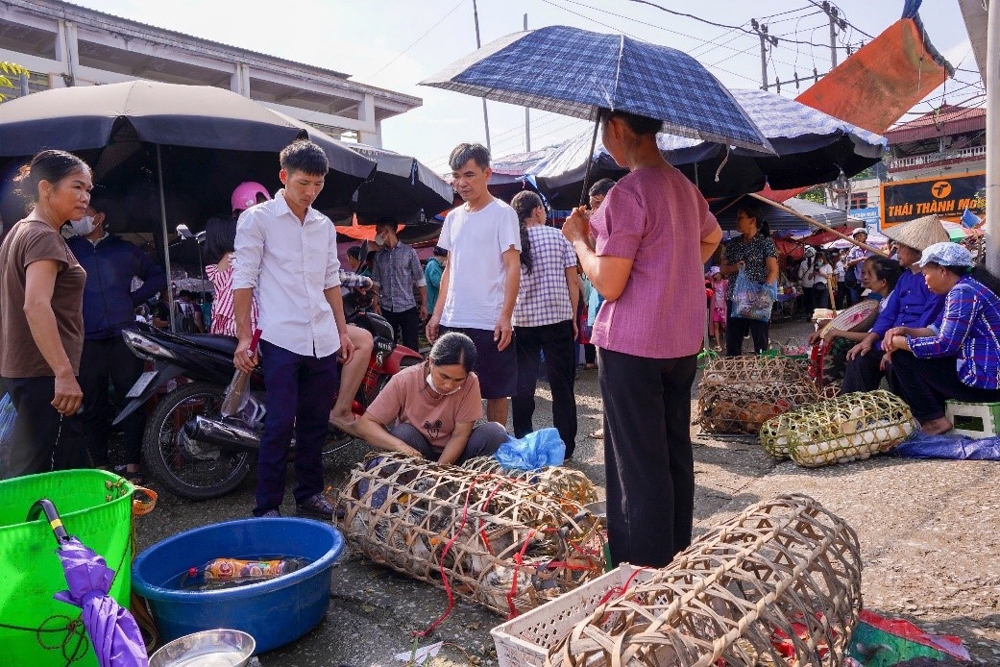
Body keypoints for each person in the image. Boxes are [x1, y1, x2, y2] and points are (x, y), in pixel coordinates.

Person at [561, 108, 723, 568]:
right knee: (673, 450)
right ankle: (675, 556)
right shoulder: (684, 188)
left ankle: (640, 571)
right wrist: (670, 266)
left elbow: (608, 283)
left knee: (636, 463)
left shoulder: (628, 191)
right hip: (680, 340)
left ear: (615, 128)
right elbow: (710, 240)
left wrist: (578, 240)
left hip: (632, 343)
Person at [231, 140, 355, 519]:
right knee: (280, 423)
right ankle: (266, 505)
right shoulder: (257, 219)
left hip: (323, 337)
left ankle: (309, 493)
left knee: (317, 422)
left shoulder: (323, 225)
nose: (311, 192)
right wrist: (241, 336)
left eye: (318, 184)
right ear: (283, 177)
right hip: (281, 337)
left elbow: (331, 279)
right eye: (303, 183)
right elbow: (244, 278)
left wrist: (343, 330)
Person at [0, 150, 91, 478]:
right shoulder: (42, 236)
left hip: (27, 369)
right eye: (77, 187)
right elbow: (35, 305)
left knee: (61, 466)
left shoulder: (20, 231)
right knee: (40, 473)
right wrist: (63, 374)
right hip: (45, 374)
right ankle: (27, 529)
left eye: (89, 190)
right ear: (46, 189)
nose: (85, 197)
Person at [65, 195, 167, 482]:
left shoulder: (123, 249)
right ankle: (101, 467)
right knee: (92, 404)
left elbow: (157, 276)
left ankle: (133, 468)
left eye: (84, 212)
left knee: (132, 400)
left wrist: (131, 300)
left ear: (99, 218)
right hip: (88, 340)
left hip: (124, 336)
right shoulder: (69, 250)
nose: (77, 218)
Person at [426, 143, 521, 427]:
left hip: (489, 320)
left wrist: (506, 316)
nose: (461, 183)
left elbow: (513, 266)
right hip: (454, 318)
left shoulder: (504, 214)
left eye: (469, 175)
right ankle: (449, 453)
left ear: (487, 173)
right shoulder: (453, 217)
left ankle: (495, 450)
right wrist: (436, 313)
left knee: (496, 391)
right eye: (456, 176)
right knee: (447, 387)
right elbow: (450, 269)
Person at [884, 242, 1000, 434]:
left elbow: (945, 345)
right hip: (986, 377)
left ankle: (934, 421)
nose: (926, 281)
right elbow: (937, 330)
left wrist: (899, 343)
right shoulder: (966, 287)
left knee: (902, 357)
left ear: (943, 270)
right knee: (906, 352)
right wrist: (904, 331)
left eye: (926, 274)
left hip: (986, 382)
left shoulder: (963, 292)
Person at [354, 332, 508, 464]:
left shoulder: (471, 381)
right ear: (431, 361)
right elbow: (366, 424)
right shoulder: (404, 379)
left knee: (495, 432)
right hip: (416, 452)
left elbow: (460, 435)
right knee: (403, 433)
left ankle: (458, 477)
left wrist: (439, 472)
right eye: (444, 376)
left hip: (455, 454)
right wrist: (401, 447)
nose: (448, 385)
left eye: (458, 380)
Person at [842, 214, 949, 394]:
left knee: (896, 365)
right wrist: (870, 338)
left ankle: (908, 416)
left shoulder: (935, 280)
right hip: (891, 341)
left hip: (914, 344)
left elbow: (927, 320)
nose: (896, 249)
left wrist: (896, 346)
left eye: (901, 245)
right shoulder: (905, 278)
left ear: (918, 250)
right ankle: (856, 411)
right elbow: (889, 314)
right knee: (859, 357)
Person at [509, 191, 579, 458]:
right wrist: (573, 317)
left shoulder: (512, 241)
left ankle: (524, 442)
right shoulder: (559, 237)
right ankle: (566, 447)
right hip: (557, 319)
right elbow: (573, 282)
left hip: (523, 322)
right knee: (562, 387)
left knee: (523, 386)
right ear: (538, 210)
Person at [720, 202, 779, 356]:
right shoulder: (733, 244)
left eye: (740, 218)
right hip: (736, 298)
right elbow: (723, 269)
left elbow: (773, 271)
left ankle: (761, 374)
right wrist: (735, 268)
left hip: (758, 296)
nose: (736, 222)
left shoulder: (765, 243)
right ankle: (733, 374)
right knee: (733, 343)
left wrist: (765, 291)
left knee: (760, 342)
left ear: (752, 220)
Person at [371, 217, 427, 352]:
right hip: (387, 308)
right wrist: (375, 303)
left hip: (408, 307)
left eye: (378, 231)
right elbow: (376, 282)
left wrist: (424, 304)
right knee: (388, 346)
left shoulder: (409, 252)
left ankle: (413, 371)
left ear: (386, 231)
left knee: (411, 346)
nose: (376, 235)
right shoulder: (379, 256)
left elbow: (420, 279)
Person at [843, 228, 871, 306]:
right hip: (857, 281)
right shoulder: (854, 250)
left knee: (869, 302)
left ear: (865, 237)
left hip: (870, 281)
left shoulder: (873, 248)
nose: (859, 238)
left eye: (861, 236)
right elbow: (848, 262)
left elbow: (879, 260)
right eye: (857, 237)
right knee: (856, 303)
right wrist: (861, 259)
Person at [707, 266, 728, 351]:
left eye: (717, 273)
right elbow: (707, 275)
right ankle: (718, 345)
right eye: (714, 274)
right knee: (715, 324)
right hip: (715, 308)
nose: (716, 275)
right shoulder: (712, 283)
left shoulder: (725, 282)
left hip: (723, 308)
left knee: (724, 326)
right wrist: (710, 274)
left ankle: (728, 342)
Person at [424, 246, 447, 317]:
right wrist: (446, 270)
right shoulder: (433, 265)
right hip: (433, 305)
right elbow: (438, 283)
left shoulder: (436, 265)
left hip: (435, 304)